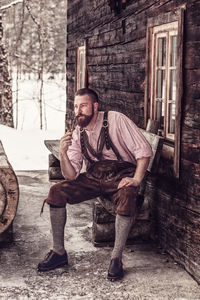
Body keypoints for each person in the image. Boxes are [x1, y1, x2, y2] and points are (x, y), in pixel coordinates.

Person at [38, 88, 152, 280]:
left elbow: (144, 151)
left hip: (121, 175)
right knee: (56, 192)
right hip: (94, 178)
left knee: (128, 194)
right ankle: (58, 253)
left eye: (83, 105)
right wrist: (63, 153)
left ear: (95, 106)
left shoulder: (116, 120)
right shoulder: (77, 132)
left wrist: (137, 179)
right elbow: (71, 175)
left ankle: (116, 258)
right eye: (75, 106)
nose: (78, 111)